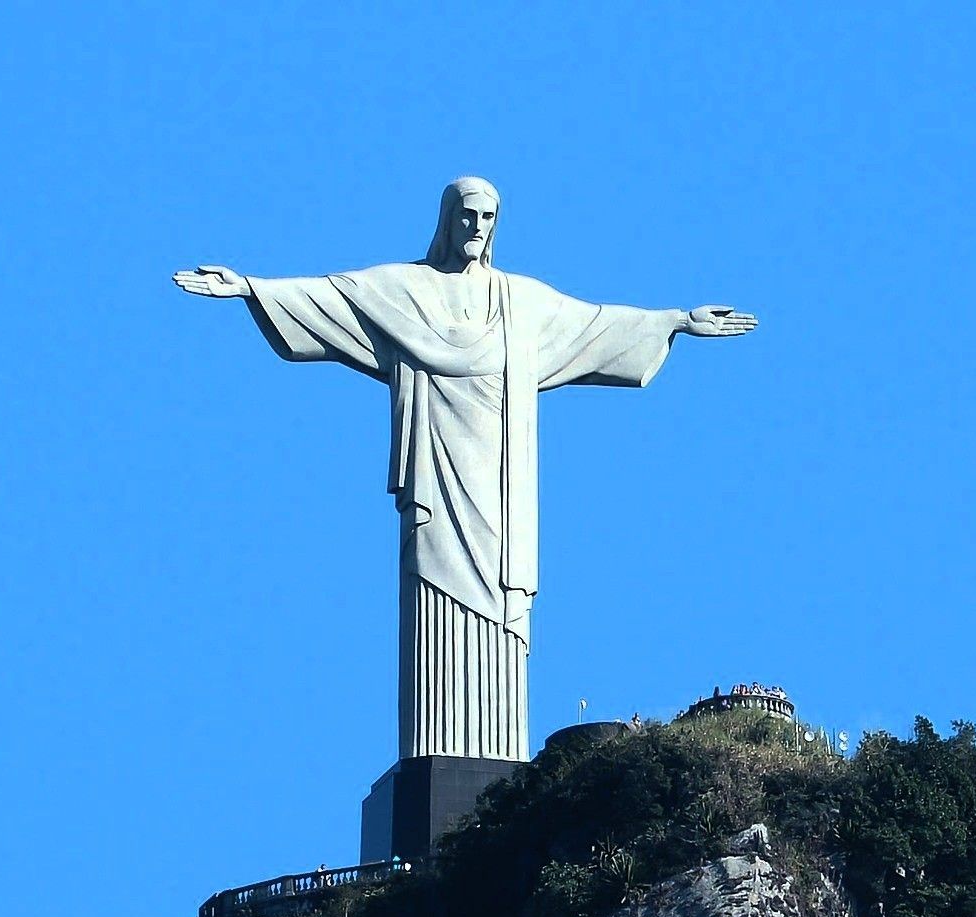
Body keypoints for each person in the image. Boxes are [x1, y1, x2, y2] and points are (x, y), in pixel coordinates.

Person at [174, 178, 756, 765]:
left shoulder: (521, 303)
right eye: (467, 215)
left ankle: (499, 757)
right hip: (436, 480)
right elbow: (331, 297)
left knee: (503, 615)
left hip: (501, 493)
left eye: (488, 218)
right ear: (447, 219)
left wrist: (677, 320)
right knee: (433, 596)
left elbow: (597, 324)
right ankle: (435, 754)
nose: (477, 227)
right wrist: (250, 287)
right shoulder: (404, 291)